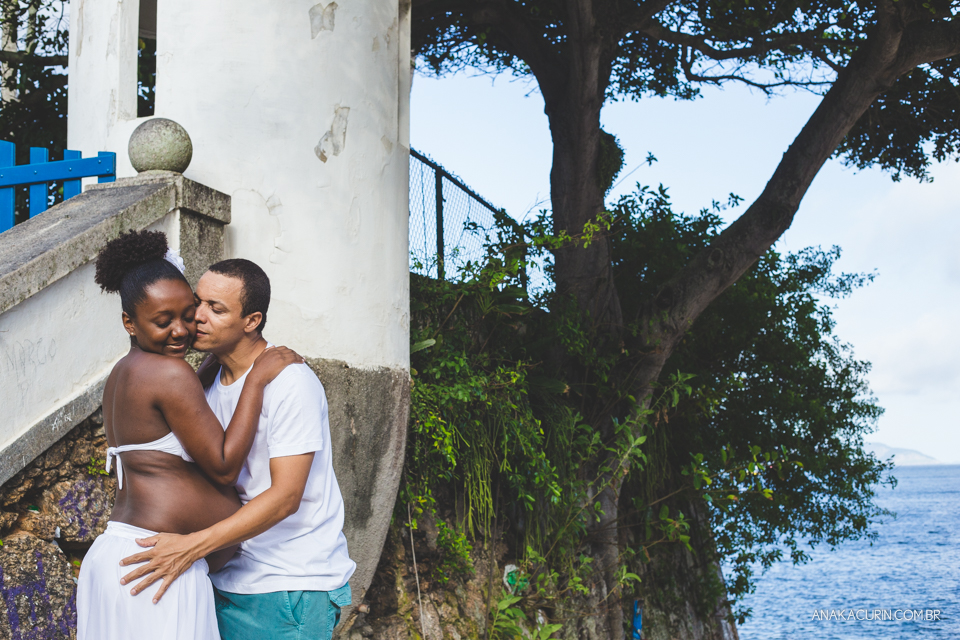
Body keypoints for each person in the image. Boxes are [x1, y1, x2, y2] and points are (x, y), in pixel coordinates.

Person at [77, 230, 303, 640]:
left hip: (124, 555)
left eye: (188, 314)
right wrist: (256, 381)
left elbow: (180, 408)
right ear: (129, 321)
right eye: (163, 322)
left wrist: (214, 363)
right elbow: (222, 466)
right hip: (157, 565)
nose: (182, 330)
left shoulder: (124, 374)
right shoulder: (169, 372)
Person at [119, 258, 356, 640]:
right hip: (227, 580)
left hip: (287, 586)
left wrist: (190, 547)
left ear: (252, 321)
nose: (197, 316)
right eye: (198, 302)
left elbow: (285, 497)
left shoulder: (289, 382)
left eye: (216, 308)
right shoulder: (208, 380)